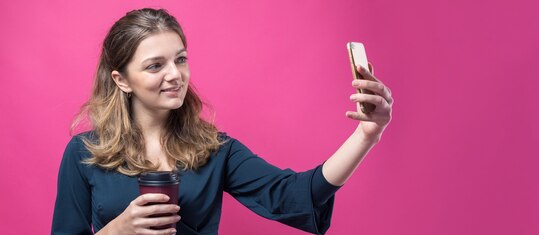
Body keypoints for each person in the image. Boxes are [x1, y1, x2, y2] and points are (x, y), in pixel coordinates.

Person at [52, 8, 393, 235]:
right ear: (122, 80)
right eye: (155, 66)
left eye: (180, 59)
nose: (175, 75)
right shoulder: (84, 154)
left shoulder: (215, 150)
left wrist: (366, 135)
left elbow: (293, 195)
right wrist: (115, 231)